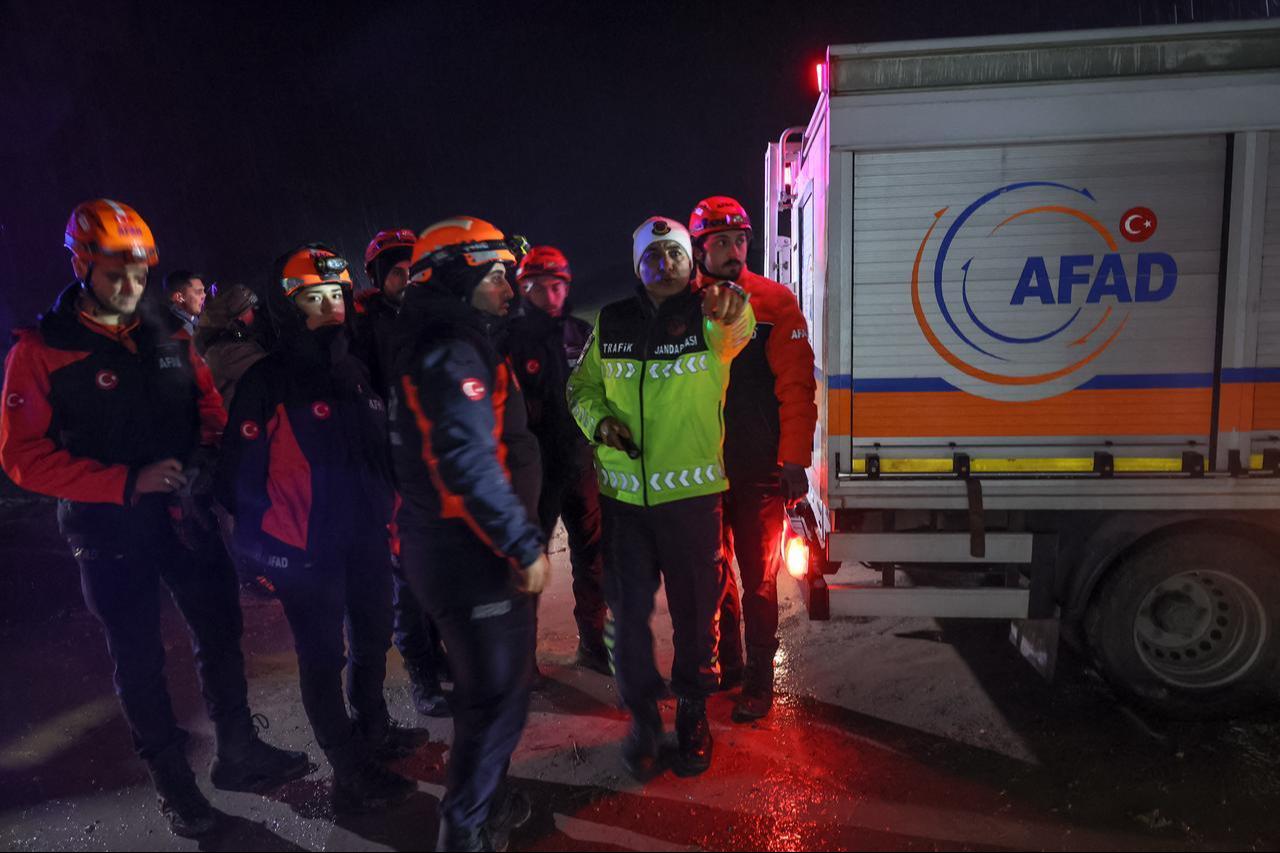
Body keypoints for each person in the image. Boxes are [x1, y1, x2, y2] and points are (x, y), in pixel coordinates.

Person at [0, 199, 309, 838]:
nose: (131, 287)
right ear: (82, 264)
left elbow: (207, 406)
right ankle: (176, 787)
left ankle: (238, 751)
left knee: (221, 629)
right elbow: (21, 457)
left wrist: (203, 456)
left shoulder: (166, 331)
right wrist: (122, 483)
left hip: (183, 516)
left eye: (141, 274)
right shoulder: (41, 349)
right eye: (117, 274)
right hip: (109, 532)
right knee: (138, 659)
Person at [216, 244, 416, 814]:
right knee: (323, 655)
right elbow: (237, 475)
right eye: (314, 297)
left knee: (374, 636)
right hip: (306, 549)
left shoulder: (351, 368)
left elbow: (378, 453)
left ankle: (372, 726)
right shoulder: (269, 380)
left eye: (337, 296)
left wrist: (391, 512)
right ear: (288, 305)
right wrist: (263, 550)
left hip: (365, 537)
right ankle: (349, 766)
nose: (330, 307)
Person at [566, 216, 753, 779]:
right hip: (623, 502)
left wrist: (732, 307)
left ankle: (693, 715)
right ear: (637, 266)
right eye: (653, 257)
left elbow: (737, 326)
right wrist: (599, 424)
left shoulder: (708, 314)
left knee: (697, 614)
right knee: (626, 616)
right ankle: (643, 716)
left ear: (689, 260)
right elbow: (580, 387)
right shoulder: (612, 321)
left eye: (674, 254)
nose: (664, 265)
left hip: (692, 502)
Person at [390, 217, 548, 851]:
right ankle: (466, 830)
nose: (509, 288)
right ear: (456, 277)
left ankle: (489, 802)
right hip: (473, 554)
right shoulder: (450, 348)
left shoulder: (449, 336)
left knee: (491, 694)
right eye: (496, 276)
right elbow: (466, 457)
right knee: (495, 704)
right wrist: (521, 542)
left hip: (456, 548)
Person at [691, 196, 818, 722]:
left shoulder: (774, 303)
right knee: (711, 570)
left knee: (759, 576)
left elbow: (796, 386)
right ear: (699, 249)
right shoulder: (685, 306)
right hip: (701, 467)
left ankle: (760, 684)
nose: (733, 251)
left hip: (758, 467)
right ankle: (731, 667)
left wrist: (794, 461)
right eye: (720, 242)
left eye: (740, 240)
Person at [354, 228, 450, 719]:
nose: (407, 278)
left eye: (413, 269)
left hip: (432, 459)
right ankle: (421, 672)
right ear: (376, 275)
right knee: (406, 575)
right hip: (393, 466)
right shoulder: (364, 326)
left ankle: (439, 654)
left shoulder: (426, 315)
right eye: (396, 271)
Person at [506, 245, 608, 674]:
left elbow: (600, 390)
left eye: (557, 286)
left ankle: (593, 642)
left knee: (593, 560)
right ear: (522, 288)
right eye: (539, 287)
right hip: (534, 472)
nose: (550, 295)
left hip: (580, 464)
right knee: (530, 564)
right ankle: (521, 660)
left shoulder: (580, 333)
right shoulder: (507, 340)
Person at [194, 283, 266, 409]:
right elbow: (271, 368)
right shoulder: (225, 350)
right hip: (234, 422)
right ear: (237, 319)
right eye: (251, 309)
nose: (256, 313)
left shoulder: (221, 342)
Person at [161, 269, 207, 336]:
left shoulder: (195, 320)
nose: (204, 295)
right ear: (179, 297)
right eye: (198, 292)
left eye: (204, 291)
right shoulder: (180, 331)